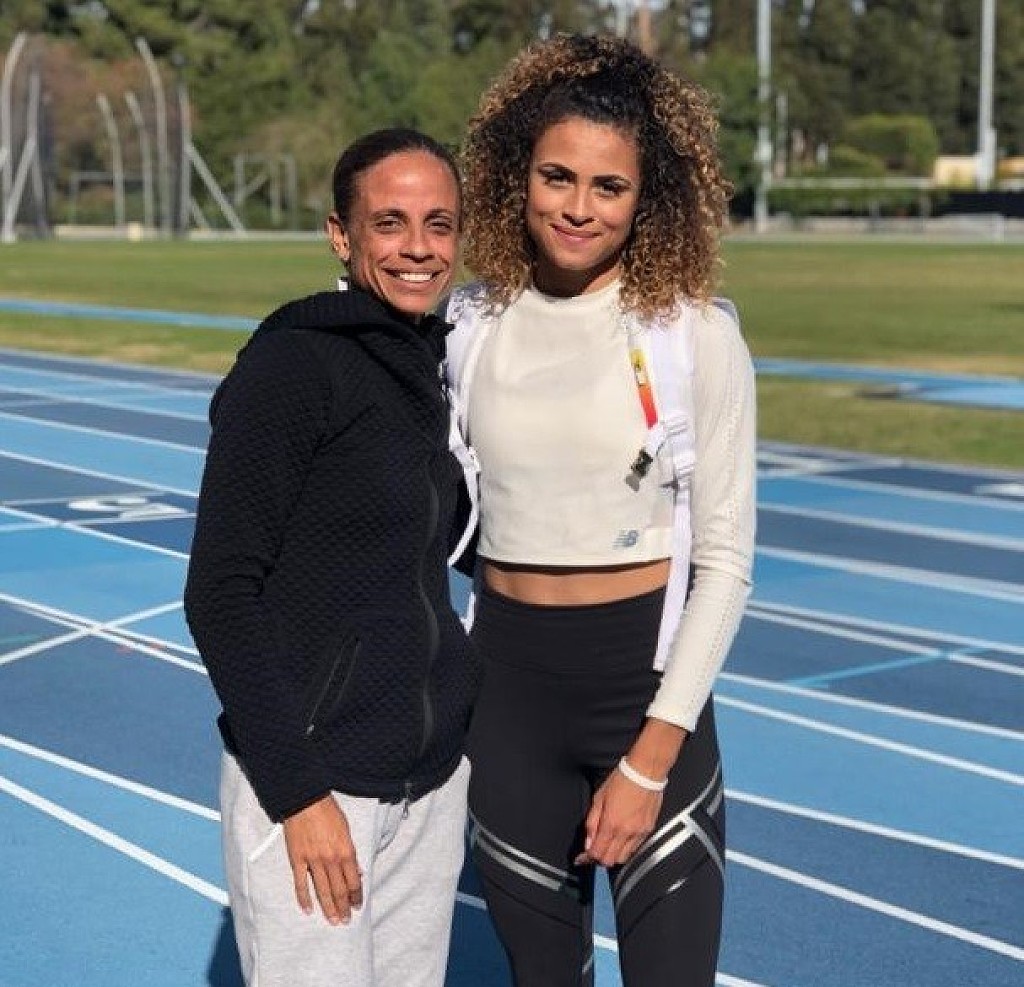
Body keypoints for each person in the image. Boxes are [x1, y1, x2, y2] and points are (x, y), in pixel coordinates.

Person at [445, 34, 756, 987]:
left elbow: (725, 565)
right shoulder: (468, 325)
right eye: (557, 176)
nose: (578, 207)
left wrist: (649, 761)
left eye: (609, 186)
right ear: (517, 175)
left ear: (647, 197)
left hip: (644, 696)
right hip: (507, 702)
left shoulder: (694, 335)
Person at [184, 128, 480, 987]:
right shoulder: (293, 366)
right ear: (341, 237)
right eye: (390, 223)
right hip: (319, 788)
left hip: (427, 788)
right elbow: (219, 592)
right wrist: (298, 793)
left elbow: (451, 546)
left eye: (439, 224)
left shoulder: (431, 364)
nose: (418, 247)